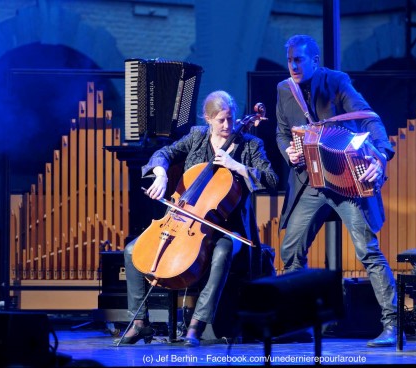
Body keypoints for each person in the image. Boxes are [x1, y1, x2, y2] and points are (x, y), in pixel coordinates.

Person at [117, 90, 278, 346]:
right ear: (208, 119)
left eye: (231, 119)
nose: (227, 126)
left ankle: (196, 325)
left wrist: (236, 166)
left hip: (229, 228)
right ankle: (139, 323)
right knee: (131, 251)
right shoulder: (196, 137)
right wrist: (160, 174)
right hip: (185, 221)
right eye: (221, 120)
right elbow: (164, 154)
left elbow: (271, 179)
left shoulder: (249, 144)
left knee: (223, 252)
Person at [275, 34, 399, 347]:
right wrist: (287, 152)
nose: (293, 65)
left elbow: (368, 117)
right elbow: (280, 132)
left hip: (345, 181)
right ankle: (298, 323)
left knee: (367, 251)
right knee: (291, 250)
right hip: (312, 182)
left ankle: (392, 325)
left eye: (299, 59)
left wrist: (382, 155)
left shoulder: (337, 82)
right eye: (290, 59)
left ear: (315, 60)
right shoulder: (283, 90)